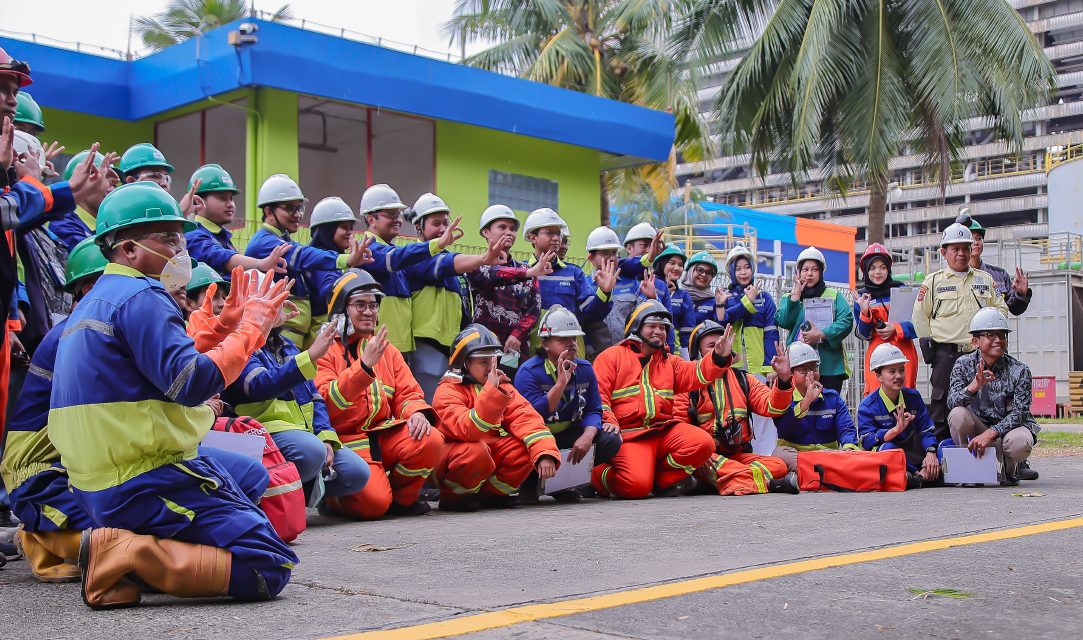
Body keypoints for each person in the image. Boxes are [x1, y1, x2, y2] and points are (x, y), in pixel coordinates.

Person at [50, 181, 298, 607]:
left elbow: (159, 369)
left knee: (246, 480)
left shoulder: (98, 302)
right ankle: (130, 554)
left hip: (100, 483)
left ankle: (125, 551)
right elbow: (190, 384)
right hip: (142, 477)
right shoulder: (142, 295)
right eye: (167, 237)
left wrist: (224, 327)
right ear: (128, 250)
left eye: (180, 237)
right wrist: (252, 329)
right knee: (268, 566)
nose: (180, 248)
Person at [3, 240, 270, 582]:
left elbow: (170, 371)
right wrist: (244, 333)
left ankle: (148, 551)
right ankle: (54, 540)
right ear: (92, 287)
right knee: (163, 530)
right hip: (52, 473)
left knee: (248, 475)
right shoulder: (77, 334)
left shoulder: (123, 318)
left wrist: (222, 330)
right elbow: (178, 388)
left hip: (122, 455)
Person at [222, 284, 370, 510]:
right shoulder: (240, 343)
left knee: (357, 473)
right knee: (311, 453)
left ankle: (292, 499)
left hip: (304, 435)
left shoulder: (287, 346)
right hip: (262, 433)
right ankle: (273, 505)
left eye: (281, 301)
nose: (281, 306)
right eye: (274, 301)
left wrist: (326, 438)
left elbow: (316, 399)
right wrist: (310, 356)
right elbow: (258, 385)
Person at [315, 269, 444, 519]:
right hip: (347, 443)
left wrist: (416, 413)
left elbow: (408, 393)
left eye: (373, 306)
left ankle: (402, 501)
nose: (369, 312)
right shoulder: (324, 349)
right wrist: (362, 367)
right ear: (341, 310)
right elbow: (327, 405)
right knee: (373, 505)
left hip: (382, 435)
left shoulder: (386, 349)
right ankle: (331, 498)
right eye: (360, 305)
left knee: (431, 438)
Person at [591, 300, 735, 499]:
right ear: (636, 327)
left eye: (663, 327)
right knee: (636, 487)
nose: (659, 331)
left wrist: (718, 356)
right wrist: (610, 422)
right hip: (629, 436)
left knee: (703, 444)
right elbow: (598, 398)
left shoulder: (670, 361)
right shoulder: (611, 357)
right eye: (652, 326)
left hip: (663, 432)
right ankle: (595, 474)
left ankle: (660, 482)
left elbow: (698, 373)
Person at [432, 324, 561, 511]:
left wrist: (545, 453)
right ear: (464, 363)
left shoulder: (501, 386)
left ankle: (492, 496)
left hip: (485, 451)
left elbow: (526, 418)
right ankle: (456, 497)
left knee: (524, 449)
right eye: (484, 362)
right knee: (475, 452)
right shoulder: (447, 390)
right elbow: (469, 431)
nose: (491, 368)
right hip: (460, 453)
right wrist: (491, 392)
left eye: (493, 361)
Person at [403, 192, 508, 400]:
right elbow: (443, 264)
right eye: (436, 223)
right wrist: (484, 258)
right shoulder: (413, 256)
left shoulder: (452, 265)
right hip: (425, 348)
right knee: (431, 409)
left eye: (445, 222)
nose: (443, 229)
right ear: (418, 228)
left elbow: (462, 309)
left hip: (451, 350)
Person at [244, 174, 369, 348]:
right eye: (289, 208)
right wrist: (345, 260)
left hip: (292, 334)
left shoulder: (284, 240)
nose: (298, 214)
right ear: (267, 211)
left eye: (299, 208)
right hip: (279, 334)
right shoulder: (265, 242)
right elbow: (302, 255)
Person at [514, 305, 622, 502]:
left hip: (566, 434)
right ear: (546, 344)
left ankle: (560, 484)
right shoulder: (528, 372)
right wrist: (560, 384)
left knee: (610, 439)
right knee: (517, 447)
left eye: (573, 338)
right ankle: (530, 481)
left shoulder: (585, 368)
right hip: (536, 437)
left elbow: (593, 409)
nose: (571, 343)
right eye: (563, 339)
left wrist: (588, 436)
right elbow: (532, 417)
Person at [912, 223, 1010, 441]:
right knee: (943, 405)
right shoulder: (933, 282)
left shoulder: (984, 280)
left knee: (989, 402)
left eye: (965, 248)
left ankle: (1001, 456)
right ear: (944, 252)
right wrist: (929, 347)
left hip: (981, 355)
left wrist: (991, 338)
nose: (961, 253)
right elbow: (920, 317)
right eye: (955, 249)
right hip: (946, 355)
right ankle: (940, 459)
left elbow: (1002, 310)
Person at [678, 321, 799, 496]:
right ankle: (769, 484)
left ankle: (724, 481)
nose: (720, 348)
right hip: (706, 457)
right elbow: (679, 429)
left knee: (778, 466)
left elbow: (773, 407)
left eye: (722, 342)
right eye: (712, 346)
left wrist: (785, 380)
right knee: (696, 462)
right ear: (697, 353)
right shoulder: (688, 384)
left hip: (738, 455)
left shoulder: (744, 380)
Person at [356, 183, 464, 356]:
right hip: (377, 350)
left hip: (398, 350)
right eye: (391, 214)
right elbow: (394, 258)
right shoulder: (369, 251)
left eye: (398, 213)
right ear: (370, 218)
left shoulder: (393, 254)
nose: (398, 219)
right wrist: (437, 244)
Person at [947, 308, 1039, 486]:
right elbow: (951, 403)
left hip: (1007, 432)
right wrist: (972, 388)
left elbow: (1020, 413)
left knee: (1021, 442)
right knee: (958, 415)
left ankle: (1010, 471)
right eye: (990, 335)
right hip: (977, 430)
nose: (998, 340)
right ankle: (971, 471)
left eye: (1002, 335)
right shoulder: (962, 365)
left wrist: (992, 433)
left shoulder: (1020, 370)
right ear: (976, 341)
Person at [465, 205, 551, 373]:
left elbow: (535, 308)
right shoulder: (476, 264)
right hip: (483, 347)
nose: (509, 232)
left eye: (512, 229)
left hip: (512, 349)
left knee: (508, 388)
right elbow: (493, 275)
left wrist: (517, 334)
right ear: (485, 232)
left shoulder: (526, 269)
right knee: (484, 391)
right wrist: (527, 272)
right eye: (502, 227)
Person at [525, 209, 615, 351]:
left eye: (558, 233)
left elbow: (591, 315)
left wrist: (604, 293)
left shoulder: (574, 273)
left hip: (572, 355)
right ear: (532, 237)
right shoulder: (523, 273)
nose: (556, 238)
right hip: (533, 355)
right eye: (549, 232)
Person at [184, 164, 288, 279]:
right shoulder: (192, 234)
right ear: (197, 201)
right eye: (222, 198)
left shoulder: (221, 236)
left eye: (231, 198)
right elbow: (220, 256)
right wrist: (260, 264)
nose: (230, 204)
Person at [857, 344, 940, 487]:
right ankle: (919, 475)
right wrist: (894, 430)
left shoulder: (913, 397)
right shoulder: (867, 407)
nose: (899, 376)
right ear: (878, 376)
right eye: (892, 371)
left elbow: (926, 429)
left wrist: (931, 452)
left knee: (946, 446)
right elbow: (866, 441)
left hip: (915, 453)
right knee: (887, 449)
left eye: (902, 370)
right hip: (892, 456)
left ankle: (914, 477)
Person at [771, 342, 860, 472]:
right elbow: (785, 428)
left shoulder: (832, 398)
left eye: (814, 368)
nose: (811, 374)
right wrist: (806, 401)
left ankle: (811, 474)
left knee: (856, 454)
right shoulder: (784, 398)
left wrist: (848, 448)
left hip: (827, 455)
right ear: (791, 374)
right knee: (779, 455)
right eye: (803, 370)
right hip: (796, 456)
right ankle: (827, 473)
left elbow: (846, 428)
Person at [776, 246, 853, 393]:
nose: (809, 274)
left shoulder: (834, 295)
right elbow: (783, 321)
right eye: (805, 270)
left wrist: (822, 335)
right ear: (798, 272)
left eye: (814, 270)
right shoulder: (789, 297)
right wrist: (795, 297)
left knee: (829, 410)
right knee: (801, 410)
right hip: (798, 367)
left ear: (821, 272)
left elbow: (846, 320)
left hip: (830, 367)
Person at [853, 243, 918, 394]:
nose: (878, 272)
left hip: (904, 351)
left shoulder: (903, 291)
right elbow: (864, 334)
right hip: (876, 354)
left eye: (882, 267)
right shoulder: (862, 297)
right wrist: (864, 312)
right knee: (876, 399)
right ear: (865, 270)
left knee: (906, 397)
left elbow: (918, 325)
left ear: (888, 269)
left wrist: (896, 328)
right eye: (872, 268)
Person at [307, 196, 359, 333]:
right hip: (322, 336)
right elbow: (328, 293)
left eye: (351, 227)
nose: (350, 233)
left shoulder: (337, 258)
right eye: (343, 227)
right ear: (326, 231)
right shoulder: (319, 260)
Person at [962, 214, 1031, 316]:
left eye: (979, 238)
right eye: (971, 239)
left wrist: (1021, 294)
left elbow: (1015, 309)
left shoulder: (1000, 275)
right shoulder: (956, 275)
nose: (976, 243)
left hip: (995, 331)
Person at [581, 225, 627, 357]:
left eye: (614, 253)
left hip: (627, 358)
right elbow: (584, 321)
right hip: (596, 358)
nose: (612, 258)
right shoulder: (583, 286)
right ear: (591, 258)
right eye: (606, 253)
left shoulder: (632, 283)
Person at [655, 243, 696, 354]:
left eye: (680, 265)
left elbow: (687, 330)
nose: (677, 268)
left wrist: (689, 357)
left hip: (674, 356)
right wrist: (664, 294)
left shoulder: (683, 295)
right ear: (662, 263)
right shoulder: (649, 285)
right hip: (651, 350)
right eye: (672, 263)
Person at [682, 251, 727, 328]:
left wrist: (720, 306)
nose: (703, 275)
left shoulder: (714, 301)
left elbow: (721, 327)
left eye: (709, 272)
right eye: (700, 270)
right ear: (690, 271)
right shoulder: (677, 296)